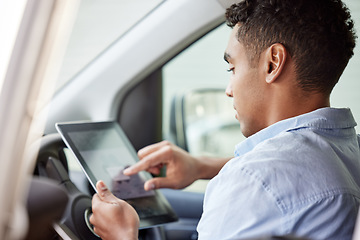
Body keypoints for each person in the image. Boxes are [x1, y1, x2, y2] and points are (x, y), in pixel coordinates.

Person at [90, 0, 360, 239]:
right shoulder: (350, 150)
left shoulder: (252, 180)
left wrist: (122, 236)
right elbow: (298, 170)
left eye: (233, 68)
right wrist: (201, 166)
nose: (229, 89)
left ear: (273, 63)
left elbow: (272, 177)